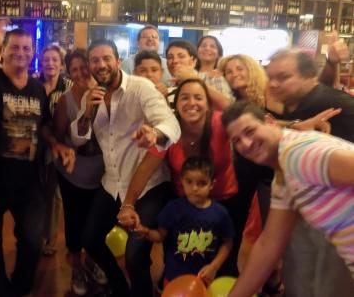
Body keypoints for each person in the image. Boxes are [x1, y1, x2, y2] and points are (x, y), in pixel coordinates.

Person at [0, 23, 75, 297]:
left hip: (28, 184)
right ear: (3, 51)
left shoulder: (37, 88)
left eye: (26, 48)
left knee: (32, 241)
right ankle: (1, 291)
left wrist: (56, 144)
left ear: (33, 52)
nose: (21, 52)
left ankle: (20, 289)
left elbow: (43, 126)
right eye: (14, 47)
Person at [70, 39, 180, 297]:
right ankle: (120, 288)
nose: (101, 64)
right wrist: (86, 114)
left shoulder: (140, 88)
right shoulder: (90, 96)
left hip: (148, 185)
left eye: (106, 58)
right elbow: (79, 138)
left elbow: (171, 124)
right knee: (90, 240)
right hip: (112, 183)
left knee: (134, 256)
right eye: (95, 60)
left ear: (118, 61)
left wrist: (154, 133)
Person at [222, 101, 354, 297]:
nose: (246, 144)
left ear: (270, 122)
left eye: (250, 131)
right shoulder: (284, 175)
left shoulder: (296, 155)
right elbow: (268, 245)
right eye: (237, 141)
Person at [118, 78, 242, 276]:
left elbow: (247, 118)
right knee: (180, 257)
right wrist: (128, 204)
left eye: (198, 97)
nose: (191, 103)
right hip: (184, 203)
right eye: (185, 98)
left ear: (208, 104)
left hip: (225, 200)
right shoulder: (169, 131)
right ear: (175, 105)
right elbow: (145, 169)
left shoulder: (221, 122)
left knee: (224, 263)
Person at [264, 49, 354, 297]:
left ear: (309, 76)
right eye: (271, 77)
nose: (274, 84)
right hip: (308, 207)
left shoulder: (331, 103)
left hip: (337, 216)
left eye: (283, 77)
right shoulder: (296, 103)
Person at [52, 49, 106, 295]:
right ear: (68, 73)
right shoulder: (66, 100)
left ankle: (92, 261)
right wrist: (65, 149)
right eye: (74, 69)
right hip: (73, 174)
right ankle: (76, 266)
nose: (81, 73)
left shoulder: (108, 92)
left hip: (103, 176)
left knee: (97, 224)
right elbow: (57, 135)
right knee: (74, 222)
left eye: (84, 66)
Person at [134, 156, 235, 285]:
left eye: (202, 183)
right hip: (174, 276)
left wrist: (214, 267)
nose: (195, 188)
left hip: (204, 277)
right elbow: (159, 236)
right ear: (182, 181)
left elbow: (228, 243)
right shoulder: (173, 208)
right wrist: (146, 232)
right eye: (189, 182)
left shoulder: (220, 213)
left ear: (211, 184)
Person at [38, 45, 72, 256]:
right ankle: (34, 234)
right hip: (35, 145)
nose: (50, 63)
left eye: (54, 60)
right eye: (46, 60)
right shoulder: (34, 85)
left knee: (54, 194)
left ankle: (50, 238)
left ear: (61, 64)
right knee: (36, 191)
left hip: (59, 145)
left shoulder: (69, 87)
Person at [166, 40, 232, 110]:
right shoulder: (168, 86)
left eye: (181, 56)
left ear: (193, 61)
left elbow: (229, 108)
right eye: (170, 57)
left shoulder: (213, 78)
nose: (175, 61)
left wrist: (194, 78)